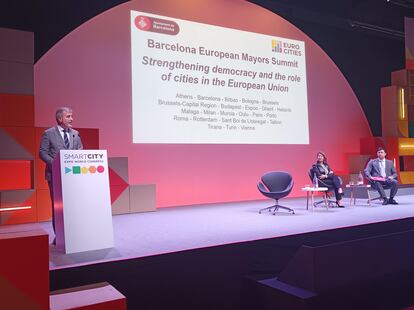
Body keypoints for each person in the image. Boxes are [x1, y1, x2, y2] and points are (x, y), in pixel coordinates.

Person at [39, 107, 83, 243]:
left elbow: (81, 151)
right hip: (55, 176)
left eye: (71, 116)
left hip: (72, 176)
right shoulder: (48, 133)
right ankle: (60, 237)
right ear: (60, 119)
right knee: (58, 207)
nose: (72, 119)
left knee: (73, 206)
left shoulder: (75, 134)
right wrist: (56, 165)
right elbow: (42, 152)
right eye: (69, 116)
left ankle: (73, 234)